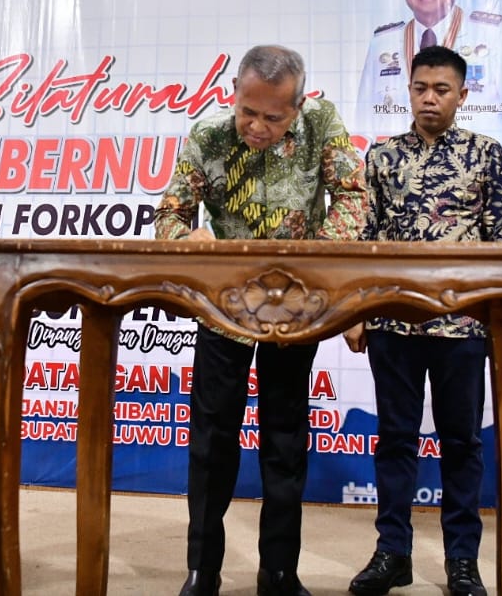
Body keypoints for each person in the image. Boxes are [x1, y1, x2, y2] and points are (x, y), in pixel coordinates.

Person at [155, 45, 367, 596]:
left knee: (285, 437)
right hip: (224, 308)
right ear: (234, 93)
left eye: (273, 117)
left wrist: (318, 264)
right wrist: (188, 238)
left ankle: (279, 571)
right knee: (212, 438)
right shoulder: (208, 136)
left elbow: (352, 198)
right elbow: (169, 215)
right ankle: (202, 570)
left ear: (298, 106)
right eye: (247, 111)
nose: (256, 126)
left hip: (295, 308)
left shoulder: (322, 124)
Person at [343, 46, 502, 596]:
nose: (429, 98)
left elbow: (501, 242)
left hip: (462, 325)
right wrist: (357, 312)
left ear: (463, 94)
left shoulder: (486, 154)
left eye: (441, 89)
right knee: (394, 439)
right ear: (408, 91)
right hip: (394, 324)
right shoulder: (382, 156)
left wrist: (496, 318)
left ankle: (463, 559)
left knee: (462, 442)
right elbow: (366, 239)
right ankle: (392, 552)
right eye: (420, 88)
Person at [356, 0, 501, 137]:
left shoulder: (493, 36)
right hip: (398, 157)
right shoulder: (383, 44)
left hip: (468, 157)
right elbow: (363, 121)